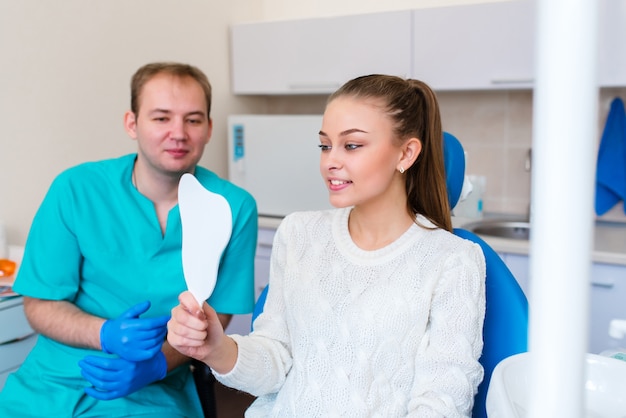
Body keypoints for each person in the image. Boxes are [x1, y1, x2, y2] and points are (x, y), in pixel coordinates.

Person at [167, 74, 487, 417]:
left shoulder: (453, 260)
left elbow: (442, 401)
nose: (330, 161)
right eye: (325, 145)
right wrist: (216, 348)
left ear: (406, 153)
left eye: (351, 145)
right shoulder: (299, 234)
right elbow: (276, 361)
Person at [0, 62, 258, 417]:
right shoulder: (75, 189)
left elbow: (221, 313)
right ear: (132, 123)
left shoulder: (233, 207)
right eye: (161, 118)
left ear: (209, 128)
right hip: (54, 377)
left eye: (193, 119)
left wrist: (156, 366)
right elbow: (40, 305)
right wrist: (103, 333)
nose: (178, 133)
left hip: (154, 383)